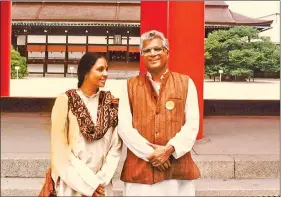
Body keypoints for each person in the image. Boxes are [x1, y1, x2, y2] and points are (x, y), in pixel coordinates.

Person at [118, 30, 201, 196]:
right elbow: (123, 126)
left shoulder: (185, 83)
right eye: (147, 50)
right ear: (142, 55)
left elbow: (192, 124)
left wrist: (169, 149)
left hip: (177, 171)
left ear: (167, 52)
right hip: (140, 172)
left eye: (157, 49)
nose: (152, 54)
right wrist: (152, 154)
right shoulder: (129, 86)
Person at [50, 53, 122, 196]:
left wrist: (100, 181)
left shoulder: (109, 103)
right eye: (100, 69)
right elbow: (60, 150)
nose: (106, 74)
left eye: (107, 69)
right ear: (86, 72)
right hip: (72, 183)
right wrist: (89, 184)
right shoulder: (66, 101)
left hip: (102, 186)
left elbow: (116, 145)